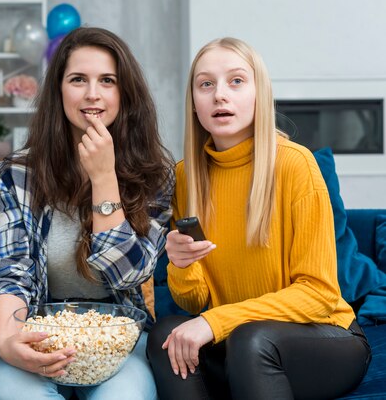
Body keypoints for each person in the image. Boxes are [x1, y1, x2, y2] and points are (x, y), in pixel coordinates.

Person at [146, 37, 372, 400]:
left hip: (324, 340)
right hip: (238, 343)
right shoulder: (187, 176)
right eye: (206, 84)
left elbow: (317, 295)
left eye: (236, 81)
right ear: (194, 101)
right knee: (165, 336)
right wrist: (181, 264)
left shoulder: (295, 165)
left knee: (253, 338)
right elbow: (194, 300)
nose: (220, 95)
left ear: (258, 93)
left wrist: (213, 322)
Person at [0, 27, 175, 400]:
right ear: (59, 90)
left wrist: (104, 178)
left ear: (125, 93)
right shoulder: (20, 173)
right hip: (38, 330)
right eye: (78, 80)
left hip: (117, 334)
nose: (93, 94)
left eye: (107, 80)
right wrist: (9, 341)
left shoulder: (155, 176)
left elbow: (128, 275)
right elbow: (10, 268)